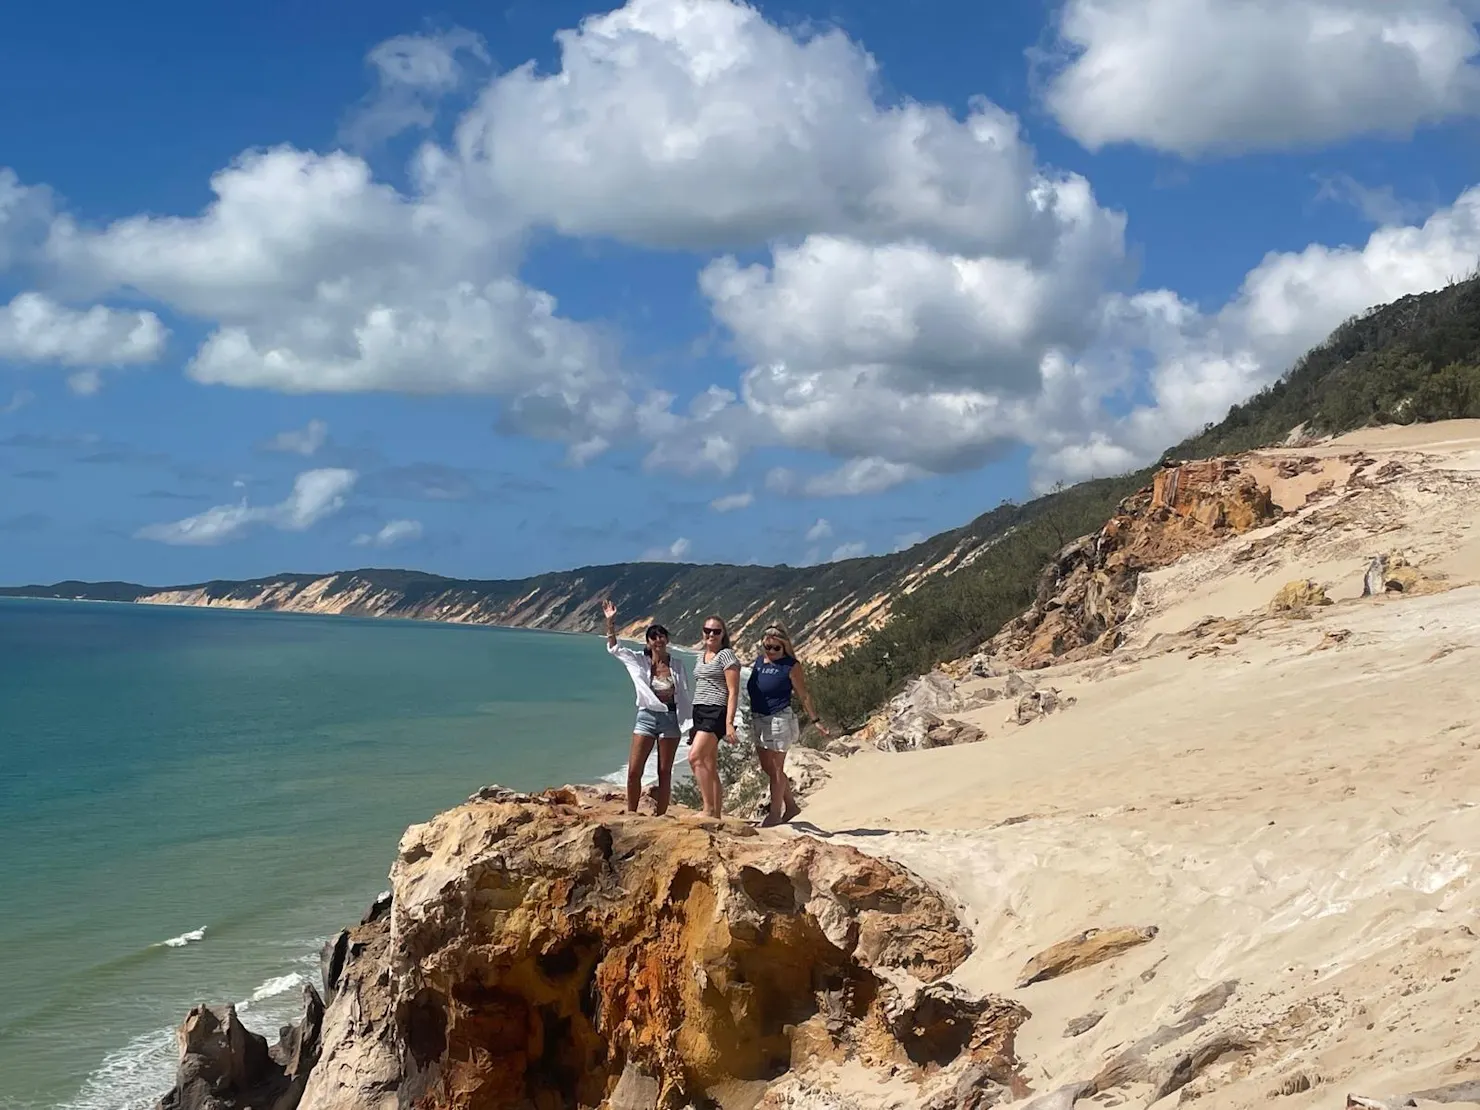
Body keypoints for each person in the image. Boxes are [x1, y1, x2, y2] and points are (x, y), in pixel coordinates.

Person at [604, 599, 691, 815]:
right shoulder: (638, 661)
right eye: (653, 637)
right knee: (634, 771)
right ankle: (632, 813)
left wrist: (690, 724)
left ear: (667, 639)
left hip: (670, 720)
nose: (658, 640)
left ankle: (660, 817)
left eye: (661, 636)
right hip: (646, 718)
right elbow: (614, 648)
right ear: (648, 642)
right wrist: (610, 623)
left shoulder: (677, 666)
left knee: (664, 772)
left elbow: (684, 696)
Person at [747, 623, 827, 826]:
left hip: (779, 719)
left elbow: (803, 694)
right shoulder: (759, 662)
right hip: (758, 718)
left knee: (776, 768)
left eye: (776, 648)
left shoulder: (791, 666)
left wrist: (815, 720)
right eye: (767, 647)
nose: (771, 651)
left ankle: (775, 813)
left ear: (784, 646)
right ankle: (791, 806)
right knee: (767, 767)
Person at [688, 614, 740, 818]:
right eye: (707, 630)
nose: (711, 634)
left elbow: (733, 691)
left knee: (695, 757)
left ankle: (708, 809)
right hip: (699, 711)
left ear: (723, 634)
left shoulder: (726, 655)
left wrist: (729, 723)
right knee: (709, 764)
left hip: (716, 711)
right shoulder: (701, 656)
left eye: (716, 631)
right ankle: (716, 815)